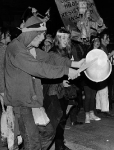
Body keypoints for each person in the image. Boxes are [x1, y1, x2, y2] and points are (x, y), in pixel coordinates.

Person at [4, 15, 81, 150]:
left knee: (48, 133)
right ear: (32, 34)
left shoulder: (29, 48)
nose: (43, 39)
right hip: (21, 104)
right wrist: (67, 71)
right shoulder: (16, 49)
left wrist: (75, 63)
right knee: (33, 143)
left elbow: (50, 58)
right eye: (40, 35)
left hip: (32, 101)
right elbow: (39, 68)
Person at [95, 29, 114, 117]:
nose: (108, 40)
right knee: (104, 90)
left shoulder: (103, 47)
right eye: (106, 38)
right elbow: (103, 59)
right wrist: (112, 54)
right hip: (102, 71)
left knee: (100, 90)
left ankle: (98, 107)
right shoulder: (102, 47)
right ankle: (105, 109)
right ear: (102, 39)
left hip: (101, 71)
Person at [83, 37, 101, 124]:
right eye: (96, 41)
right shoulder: (88, 52)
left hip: (95, 77)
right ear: (92, 42)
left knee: (93, 96)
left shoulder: (100, 53)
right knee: (88, 96)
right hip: (87, 77)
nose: (97, 42)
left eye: (98, 41)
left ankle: (92, 114)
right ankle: (87, 115)